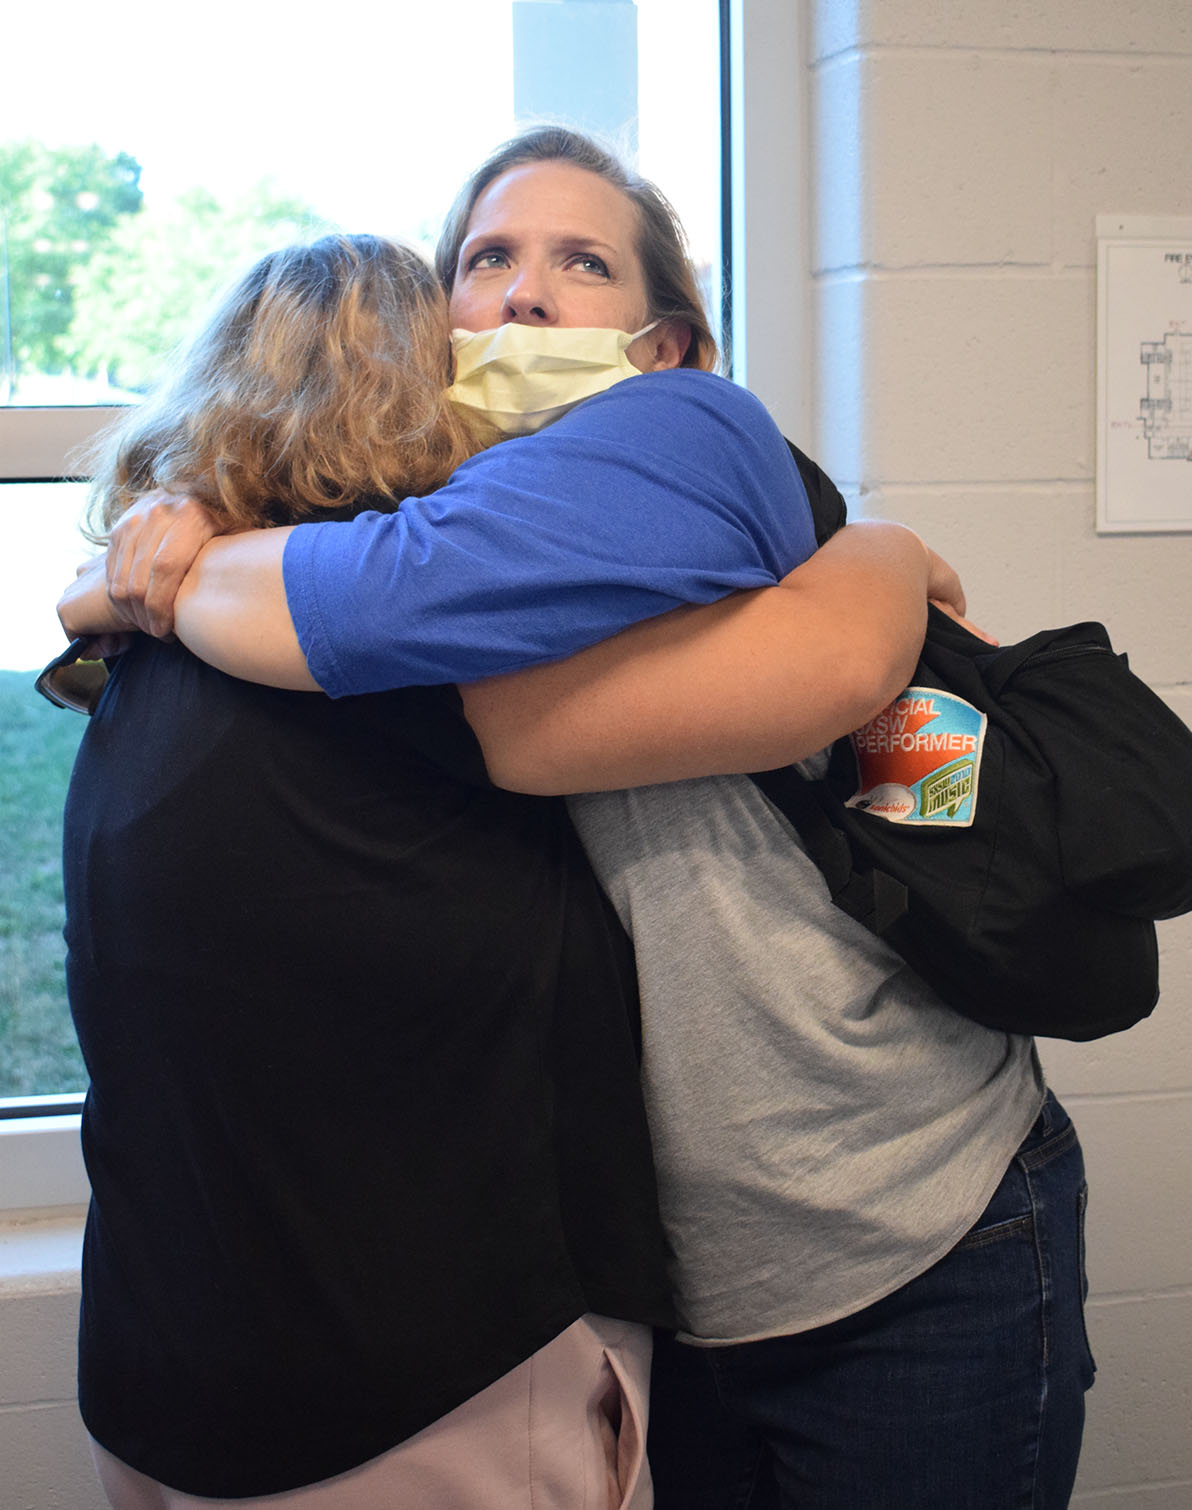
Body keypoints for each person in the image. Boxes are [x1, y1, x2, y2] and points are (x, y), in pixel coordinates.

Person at [62, 129, 1093, 1510]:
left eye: (581, 262)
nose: (525, 296)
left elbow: (431, 640)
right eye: (486, 260)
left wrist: (182, 570)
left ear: (663, 343)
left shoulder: (681, 437)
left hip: (905, 1226)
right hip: (691, 1271)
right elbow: (347, 538)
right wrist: (177, 521)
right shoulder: (441, 507)